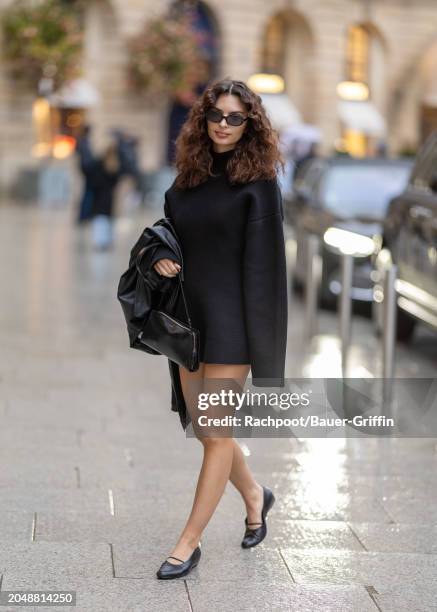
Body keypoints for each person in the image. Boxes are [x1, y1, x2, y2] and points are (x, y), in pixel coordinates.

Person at [150, 77, 288, 580]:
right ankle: (255, 494)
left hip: (234, 327)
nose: (224, 126)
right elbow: (169, 234)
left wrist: (265, 352)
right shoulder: (187, 178)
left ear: (250, 124)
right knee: (207, 431)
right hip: (188, 322)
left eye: (235, 118)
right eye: (216, 116)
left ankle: (189, 542)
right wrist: (163, 254)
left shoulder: (260, 185)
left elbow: (266, 272)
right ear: (203, 119)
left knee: (214, 432)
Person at [89, 142, 122, 250]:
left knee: (99, 219)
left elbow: (93, 179)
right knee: (107, 219)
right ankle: (106, 241)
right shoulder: (115, 165)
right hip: (108, 196)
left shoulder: (99, 164)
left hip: (99, 196)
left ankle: (100, 241)